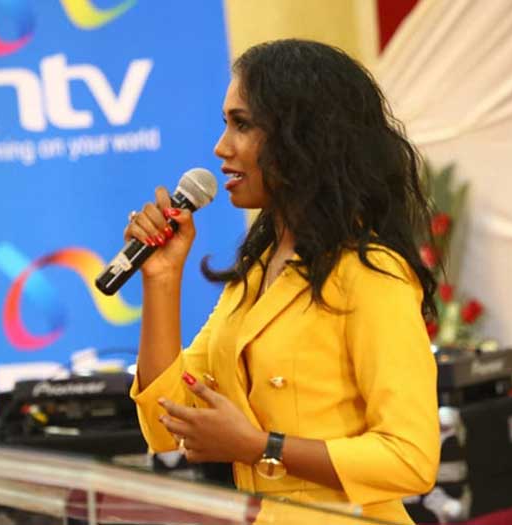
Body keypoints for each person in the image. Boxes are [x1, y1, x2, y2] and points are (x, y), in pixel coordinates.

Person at [129, 39, 440, 524]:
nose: (221, 148)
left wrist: (261, 447)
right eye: (225, 123)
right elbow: (166, 423)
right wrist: (162, 280)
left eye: (242, 125)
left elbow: (411, 459)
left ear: (304, 137)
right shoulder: (256, 274)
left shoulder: (370, 272)